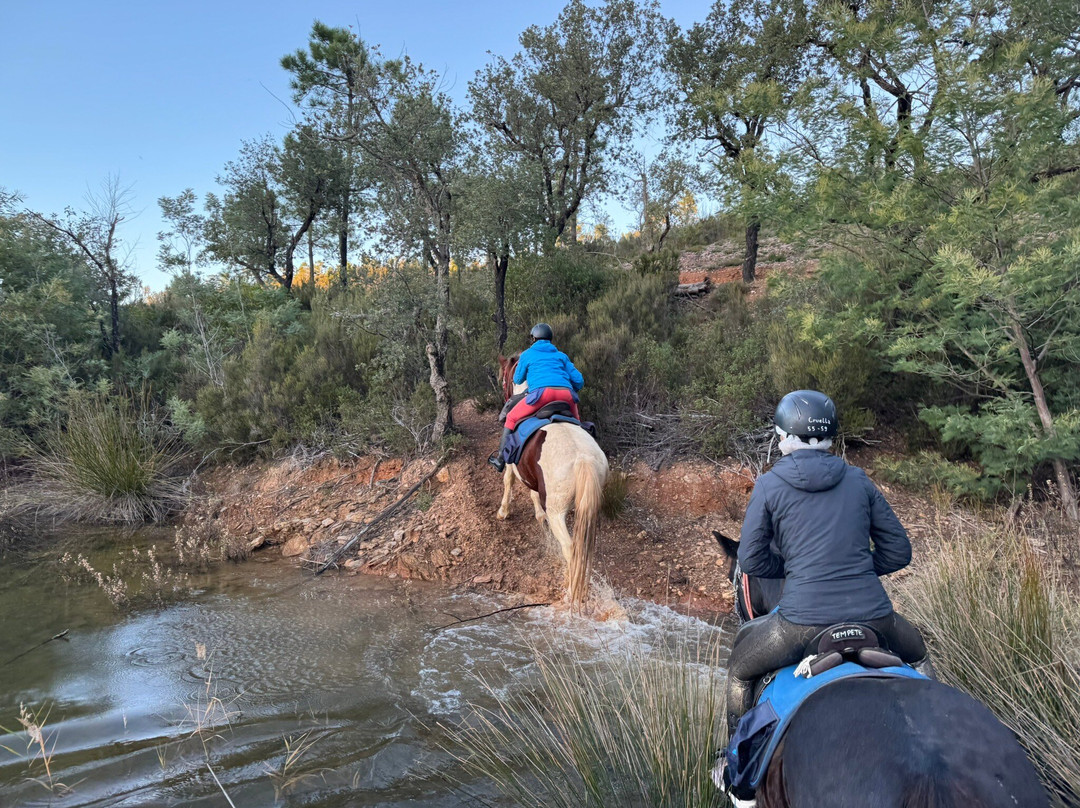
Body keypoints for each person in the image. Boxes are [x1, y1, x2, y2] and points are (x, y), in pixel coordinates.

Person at [724, 390, 932, 763]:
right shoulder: (858, 480)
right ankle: (935, 732)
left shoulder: (769, 485)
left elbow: (750, 559)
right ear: (830, 437)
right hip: (876, 619)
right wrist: (854, 568)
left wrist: (797, 570)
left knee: (740, 670)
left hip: (800, 626)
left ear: (785, 437)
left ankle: (735, 760)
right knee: (918, 657)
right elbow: (899, 552)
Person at [488, 323, 584, 472]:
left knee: (511, 418)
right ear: (550, 338)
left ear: (533, 338)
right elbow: (579, 381)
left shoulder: (527, 354)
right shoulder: (561, 356)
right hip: (566, 396)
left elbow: (518, 379)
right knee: (578, 425)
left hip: (541, 395)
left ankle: (500, 459)